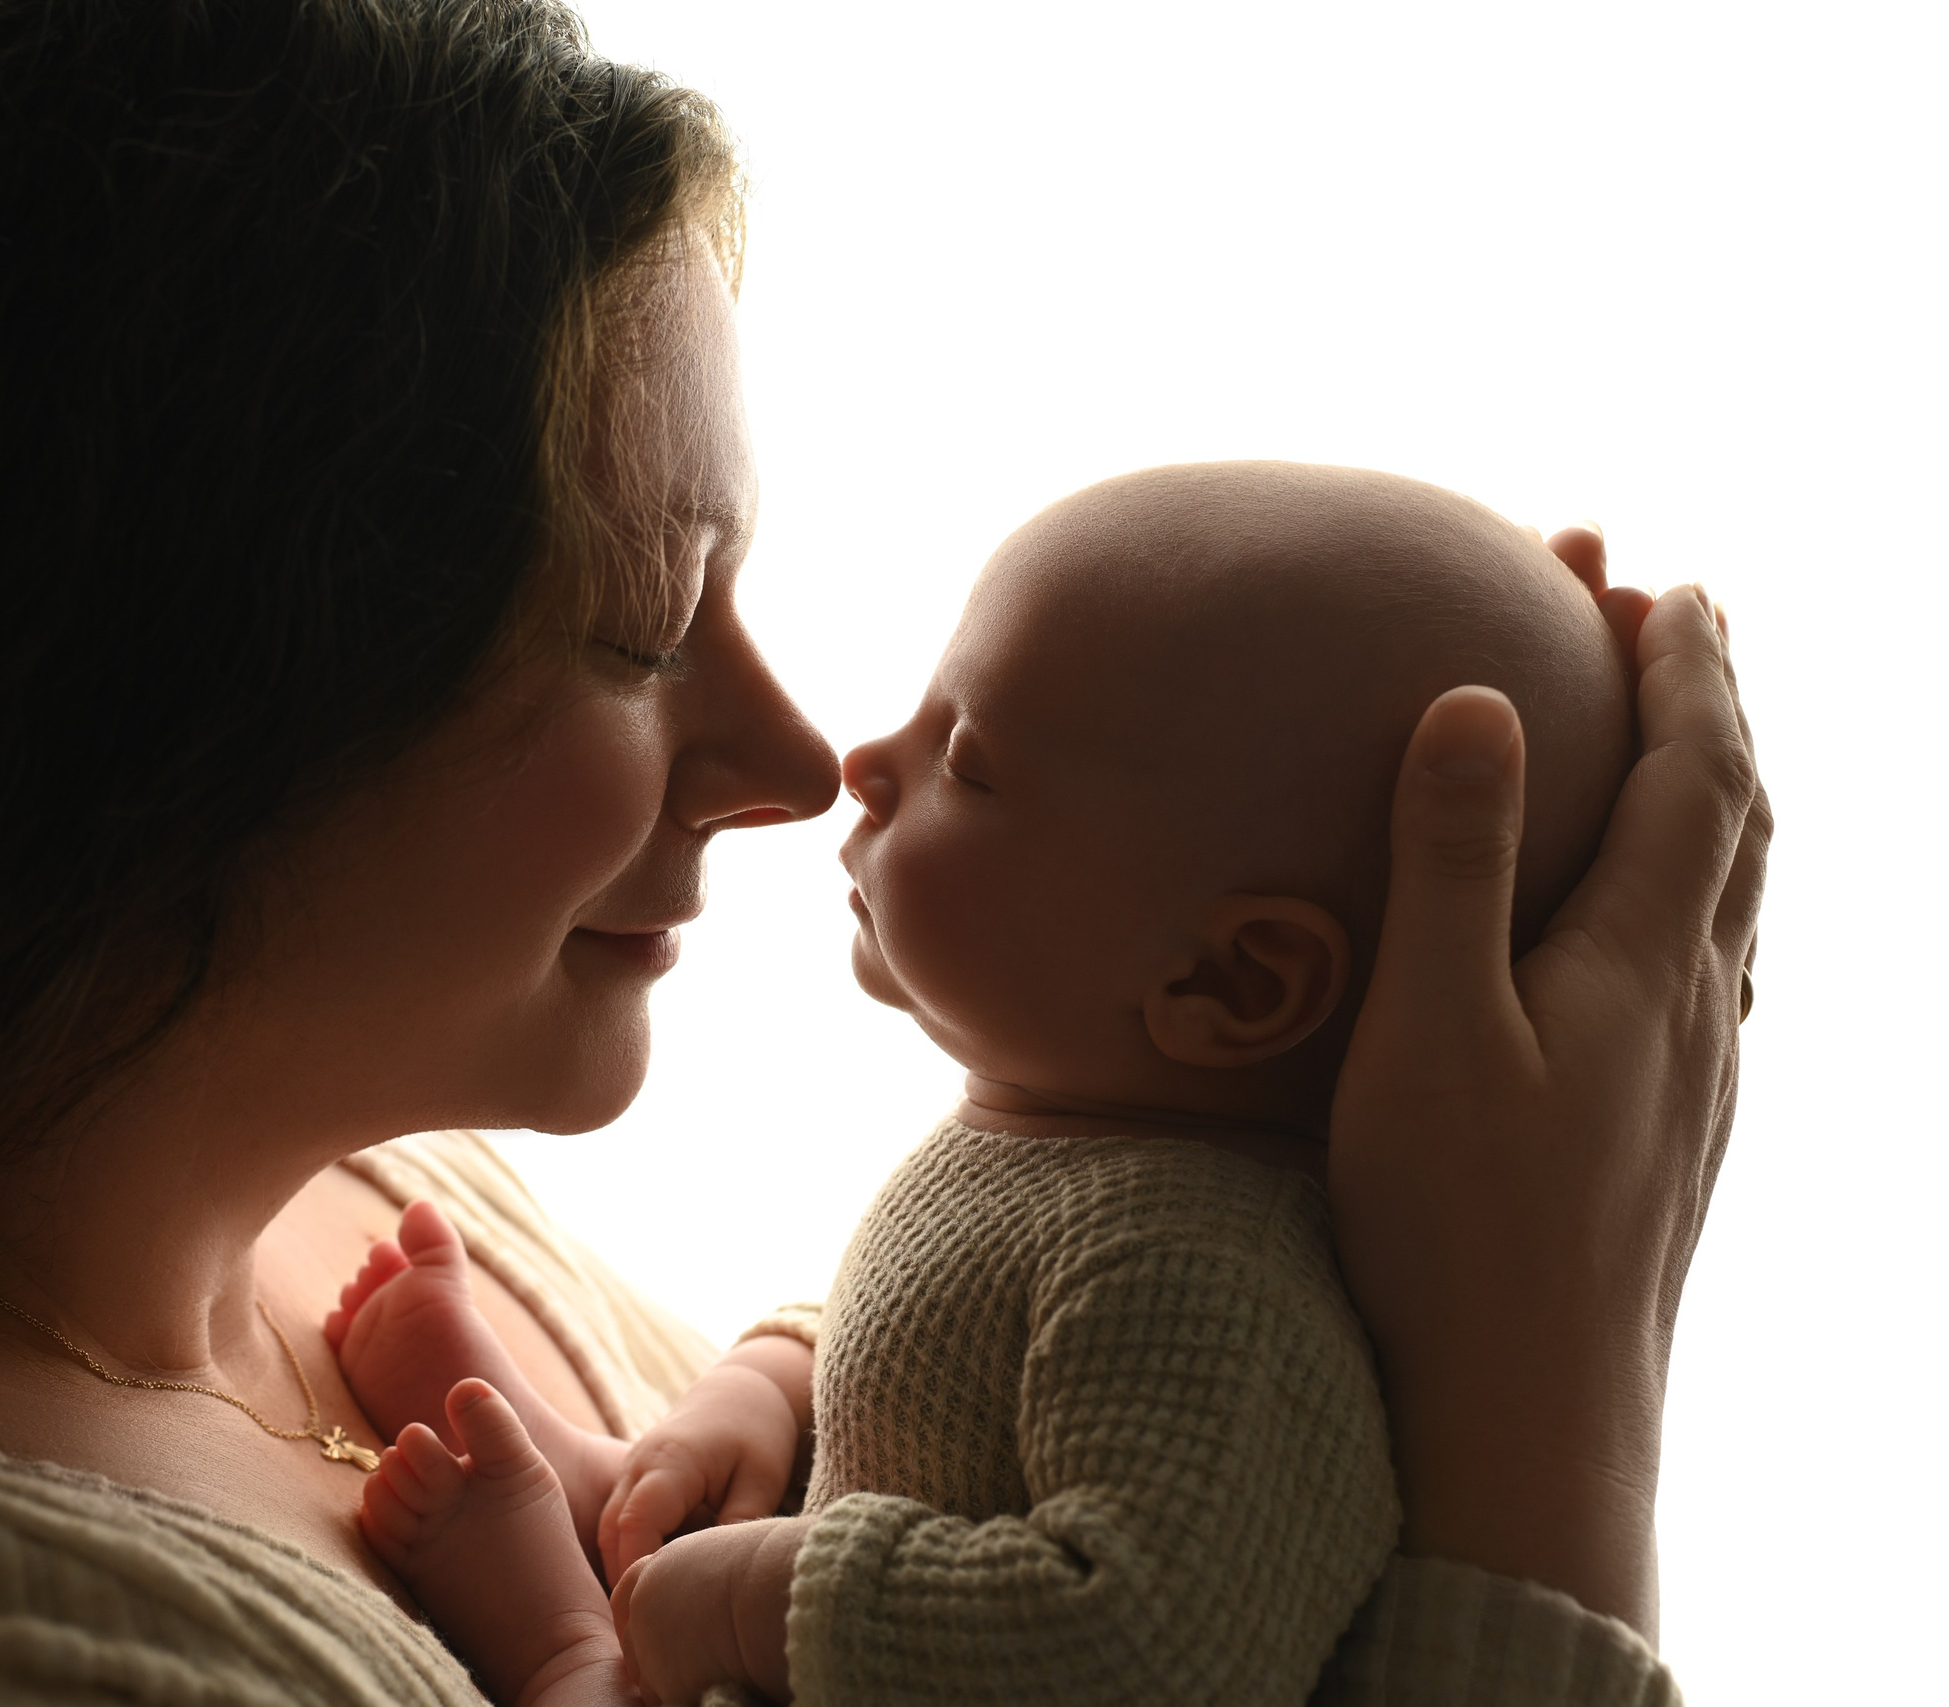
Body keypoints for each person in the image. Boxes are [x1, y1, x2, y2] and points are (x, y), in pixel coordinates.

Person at [0, 2, 1766, 1703]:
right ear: (155, 704)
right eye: (642, 629)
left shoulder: (339, 1162)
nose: (783, 746)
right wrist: (1545, 1431)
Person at [318, 463, 1641, 1707]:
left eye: (970, 759)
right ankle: (614, 1490)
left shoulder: (1205, 1285)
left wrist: (752, 1600)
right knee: (714, 1497)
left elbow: (1146, 1648)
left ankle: (560, 1638)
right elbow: (950, 1362)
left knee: (649, 1641)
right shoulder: (1082, 1164)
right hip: (856, 1568)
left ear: (1231, 984)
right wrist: (769, 1383)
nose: (864, 766)